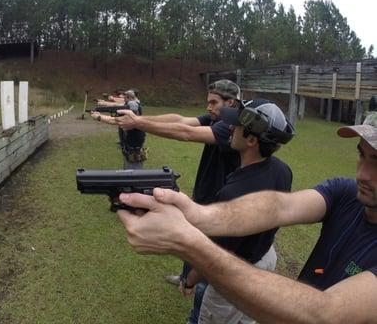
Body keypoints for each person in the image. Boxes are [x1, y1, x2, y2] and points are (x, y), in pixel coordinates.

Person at [117, 112, 377, 323]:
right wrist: (197, 215)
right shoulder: (347, 192)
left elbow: (326, 314)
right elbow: (279, 207)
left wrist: (189, 243)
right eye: (361, 155)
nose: (363, 174)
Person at [116, 79, 241, 323]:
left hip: (220, 201)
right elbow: (181, 120)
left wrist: (138, 122)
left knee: (208, 252)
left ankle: (197, 290)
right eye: (208, 102)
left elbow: (186, 134)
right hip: (204, 194)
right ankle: (186, 279)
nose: (209, 107)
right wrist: (139, 117)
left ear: (231, 103)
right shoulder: (217, 118)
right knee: (190, 239)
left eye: (213, 103)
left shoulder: (232, 125)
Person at [181, 99, 294, 323]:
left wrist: (190, 279)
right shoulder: (283, 171)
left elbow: (215, 259)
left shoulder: (234, 192)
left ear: (251, 139)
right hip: (265, 260)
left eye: (237, 126)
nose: (230, 128)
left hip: (235, 275)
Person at [91, 90, 146, 169]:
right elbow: (115, 104)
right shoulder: (131, 104)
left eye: (124, 97)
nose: (123, 98)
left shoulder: (132, 105)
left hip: (134, 148)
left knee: (132, 174)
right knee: (129, 169)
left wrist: (99, 117)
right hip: (131, 145)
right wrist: (103, 103)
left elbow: (114, 120)